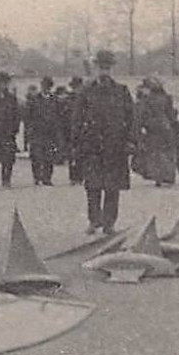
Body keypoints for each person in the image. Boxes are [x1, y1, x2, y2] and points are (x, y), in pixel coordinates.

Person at [71, 50, 134, 235]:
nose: (104, 72)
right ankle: (94, 220)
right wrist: (76, 143)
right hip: (91, 147)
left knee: (112, 187)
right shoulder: (86, 91)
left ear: (111, 69)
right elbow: (76, 119)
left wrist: (130, 140)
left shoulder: (122, 91)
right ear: (95, 68)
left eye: (107, 68)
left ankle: (109, 223)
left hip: (115, 147)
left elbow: (131, 118)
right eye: (101, 68)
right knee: (92, 185)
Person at [135, 76, 177, 186]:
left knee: (155, 154)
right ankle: (168, 176)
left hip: (153, 129)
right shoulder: (167, 98)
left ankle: (158, 177)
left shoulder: (148, 99)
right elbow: (171, 114)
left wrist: (142, 126)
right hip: (166, 128)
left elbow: (142, 114)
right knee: (166, 153)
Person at [24, 76, 60, 185]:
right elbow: (28, 117)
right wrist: (29, 132)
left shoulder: (55, 100)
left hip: (50, 133)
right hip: (37, 132)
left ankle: (47, 178)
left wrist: (57, 133)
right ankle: (37, 177)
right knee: (36, 156)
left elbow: (58, 116)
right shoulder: (34, 100)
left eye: (48, 87)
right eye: (44, 86)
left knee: (49, 157)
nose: (45, 88)